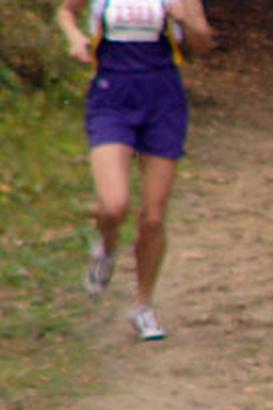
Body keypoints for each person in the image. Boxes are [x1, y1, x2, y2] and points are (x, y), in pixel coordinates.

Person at [58, 0, 215, 340]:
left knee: (153, 217)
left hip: (163, 99)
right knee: (114, 205)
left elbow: (202, 45)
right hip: (111, 97)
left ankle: (143, 306)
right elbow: (66, 10)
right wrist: (74, 37)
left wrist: (186, 20)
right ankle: (106, 245)